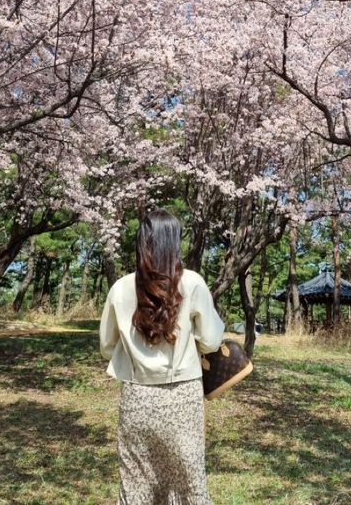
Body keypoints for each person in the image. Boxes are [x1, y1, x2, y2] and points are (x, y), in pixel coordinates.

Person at [100, 208, 224, 505]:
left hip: (137, 397)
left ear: (142, 242)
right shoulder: (192, 282)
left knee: (136, 481)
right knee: (188, 478)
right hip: (182, 395)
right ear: (174, 241)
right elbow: (210, 340)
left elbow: (107, 346)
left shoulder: (120, 288)